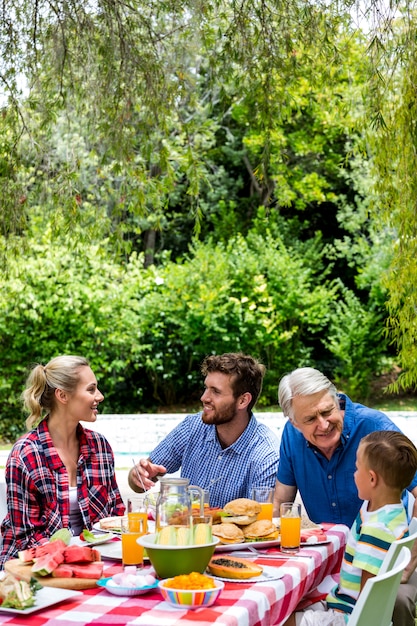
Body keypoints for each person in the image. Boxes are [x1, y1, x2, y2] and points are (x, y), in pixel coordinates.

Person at [275, 366, 417, 626]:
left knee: (394, 599)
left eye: (327, 411)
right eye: (310, 419)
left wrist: (412, 553)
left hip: (378, 563)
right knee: (281, 599)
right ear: (294, 423)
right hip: (329, 563)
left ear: (336, 399)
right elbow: (279, 503)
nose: (323, 424)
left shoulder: (375, 431)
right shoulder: (291, 437)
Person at [0, 355, 125, 569]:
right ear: (63, 395)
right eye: (91, 389)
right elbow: (26, 538)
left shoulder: (100, 448)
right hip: (31, 569)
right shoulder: (26, 455)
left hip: (92, 562)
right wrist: (75, 558)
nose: (100, 396)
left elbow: (116, 515)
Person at [128, 352, 280, 508]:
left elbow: (260, 525)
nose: (204, 397)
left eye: (216, 391)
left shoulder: (266, 456)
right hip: (185, 530)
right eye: (206, 388)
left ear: (242, 400)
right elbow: (141, 482)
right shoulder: (192, 427)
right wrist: (138, 476)